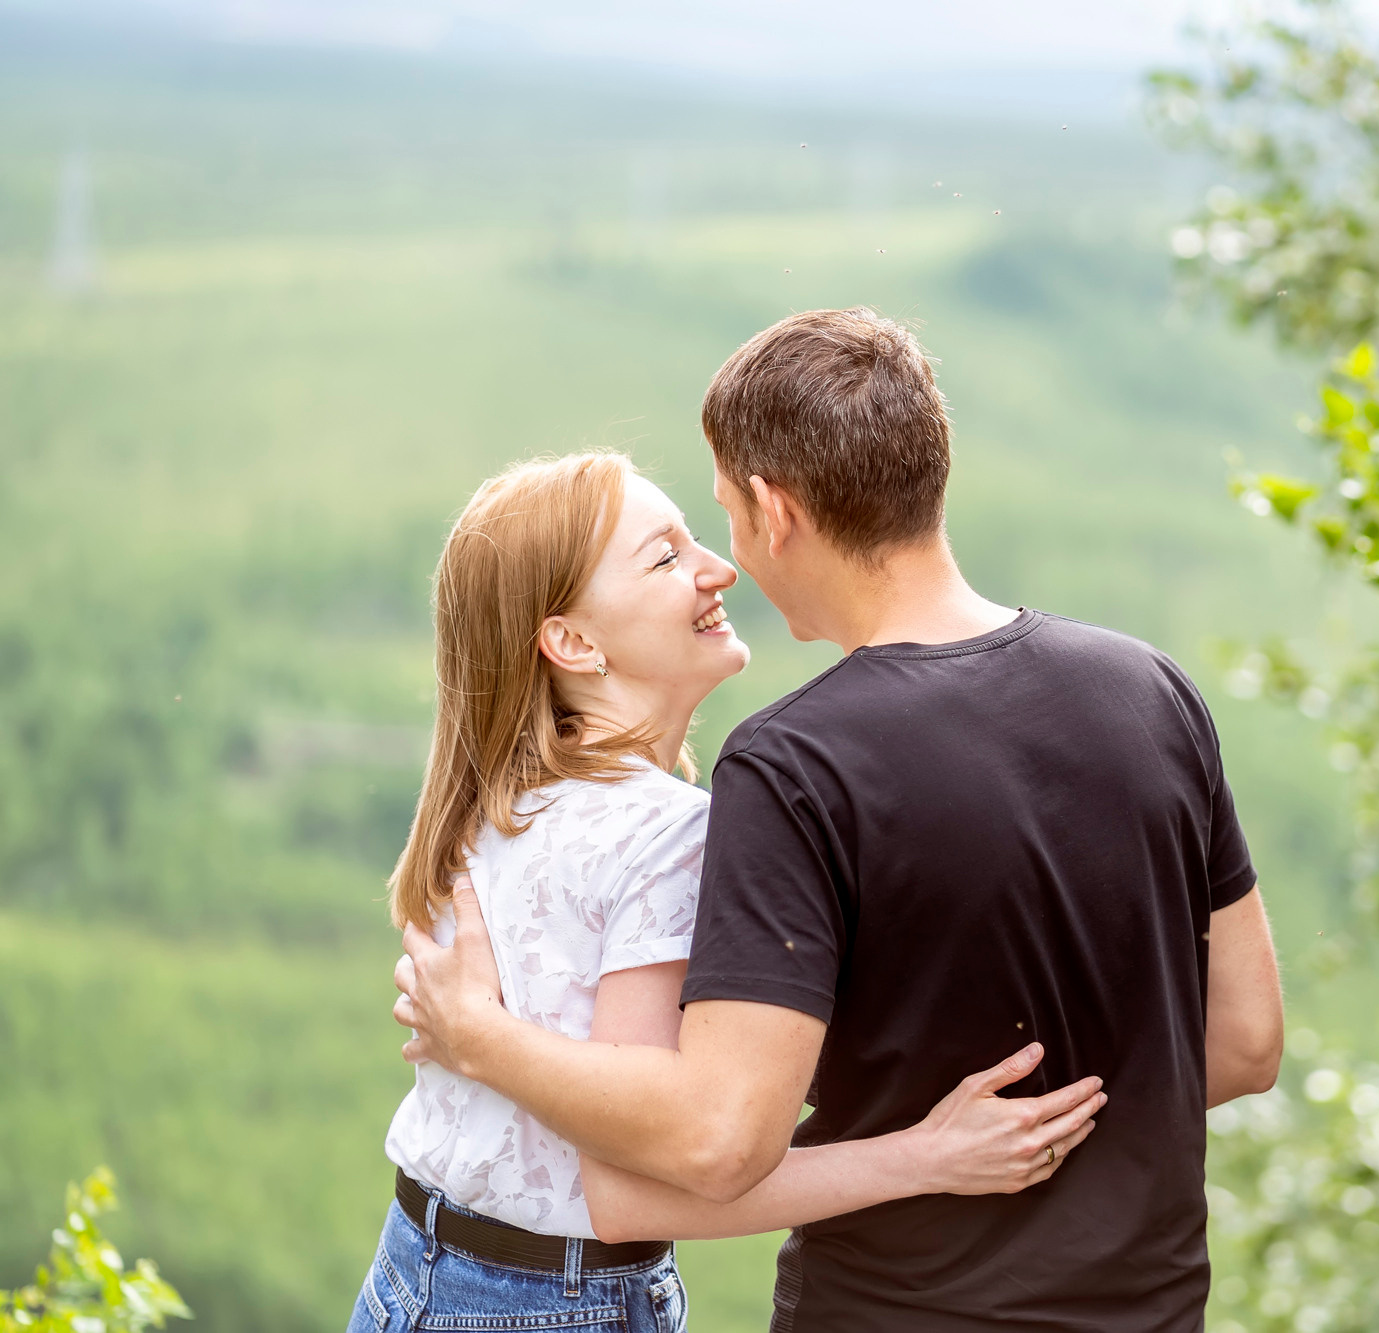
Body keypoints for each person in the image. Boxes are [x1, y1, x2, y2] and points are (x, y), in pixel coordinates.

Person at [396, 307, 1286, 1331]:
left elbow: (720, 1138)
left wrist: (479, 1037)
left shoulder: (793, 766)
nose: (723, 559)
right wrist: (1060, 1125)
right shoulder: (1152, 690)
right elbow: (1246, 1041)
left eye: (723, 515)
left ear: (775, 512)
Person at [351, 451, 1105, 1333]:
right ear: (574, 643)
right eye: (666, 557)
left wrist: (480, 1036)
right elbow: (648, 1185)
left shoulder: (494, 806)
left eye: (694, 538)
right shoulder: (666, 835)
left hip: (418, 1270)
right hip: (549, 1300)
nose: (721, 567)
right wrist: (929, 1155)